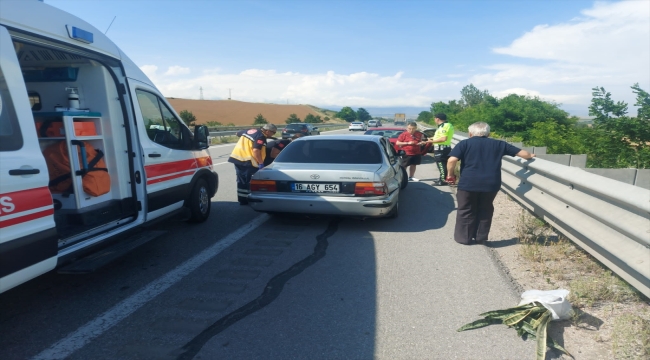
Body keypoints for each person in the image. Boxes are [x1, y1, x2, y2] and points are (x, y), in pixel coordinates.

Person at [445, 122, 535, 245]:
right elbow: (525, 154)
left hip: (468, 183)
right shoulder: (499, 144)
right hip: (491, 183)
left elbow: (452, 160)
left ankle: (464, 238)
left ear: (470, 133)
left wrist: (450, 175)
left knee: (466, 209)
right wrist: (531, 155)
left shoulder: (464, 143)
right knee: (485, 208)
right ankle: (480, 237)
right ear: (489, 134)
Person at [228, 123, 277, 205]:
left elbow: (237, 133)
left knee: (241, 181)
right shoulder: (261, 136)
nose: (273, 134)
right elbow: (256, 151)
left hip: (237, 158)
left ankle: (242, 200)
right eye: (273, 132)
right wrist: (261, 163)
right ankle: (248, 199)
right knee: (248, 181)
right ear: (268, 131)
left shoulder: (250, 131)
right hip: (248, 160)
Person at [425, 113, 454, 186]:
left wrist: (430, 141)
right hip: (444, 148)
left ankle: (443, 180)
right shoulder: (446, 125)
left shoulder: (444, 126)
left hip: (441, 148)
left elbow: (443, 138)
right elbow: (440, 137)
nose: (434, 120)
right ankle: (442, 178)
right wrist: (430, 139)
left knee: (441, 164)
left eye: (435, 118)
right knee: (443, 164)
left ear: (437, 119)